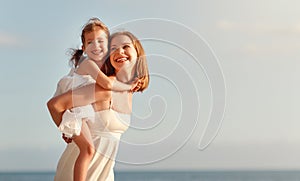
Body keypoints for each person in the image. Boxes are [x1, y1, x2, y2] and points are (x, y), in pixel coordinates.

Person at [47, 31, 149, 181]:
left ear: (138, 53)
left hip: (105, 175)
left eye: (125, 46)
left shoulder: (128, 91)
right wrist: (68, 130)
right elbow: (55, 105)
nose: (119, 51)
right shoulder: (104, 88)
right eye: (113, 48)